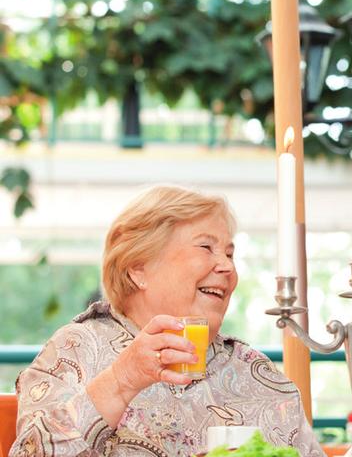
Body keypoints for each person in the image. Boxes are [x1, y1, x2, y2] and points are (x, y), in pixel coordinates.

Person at [9, 185, 325, 457]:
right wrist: (121, 381)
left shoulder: (256, 372)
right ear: (138, 268)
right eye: (207, 247)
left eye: (230, 253)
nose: (227, 267)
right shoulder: (78, 348)